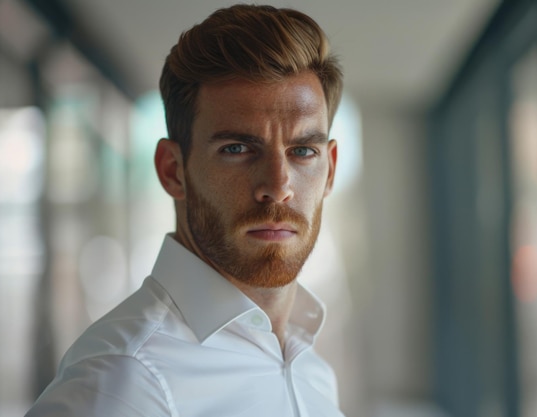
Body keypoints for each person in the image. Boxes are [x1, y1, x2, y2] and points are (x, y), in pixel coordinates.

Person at [26, 4, 344, 416]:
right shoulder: (120, 382)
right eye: (238, 149)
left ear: (330, 169)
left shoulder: (311, 369)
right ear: (172, 170)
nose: (278, 187)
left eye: (303, 150)